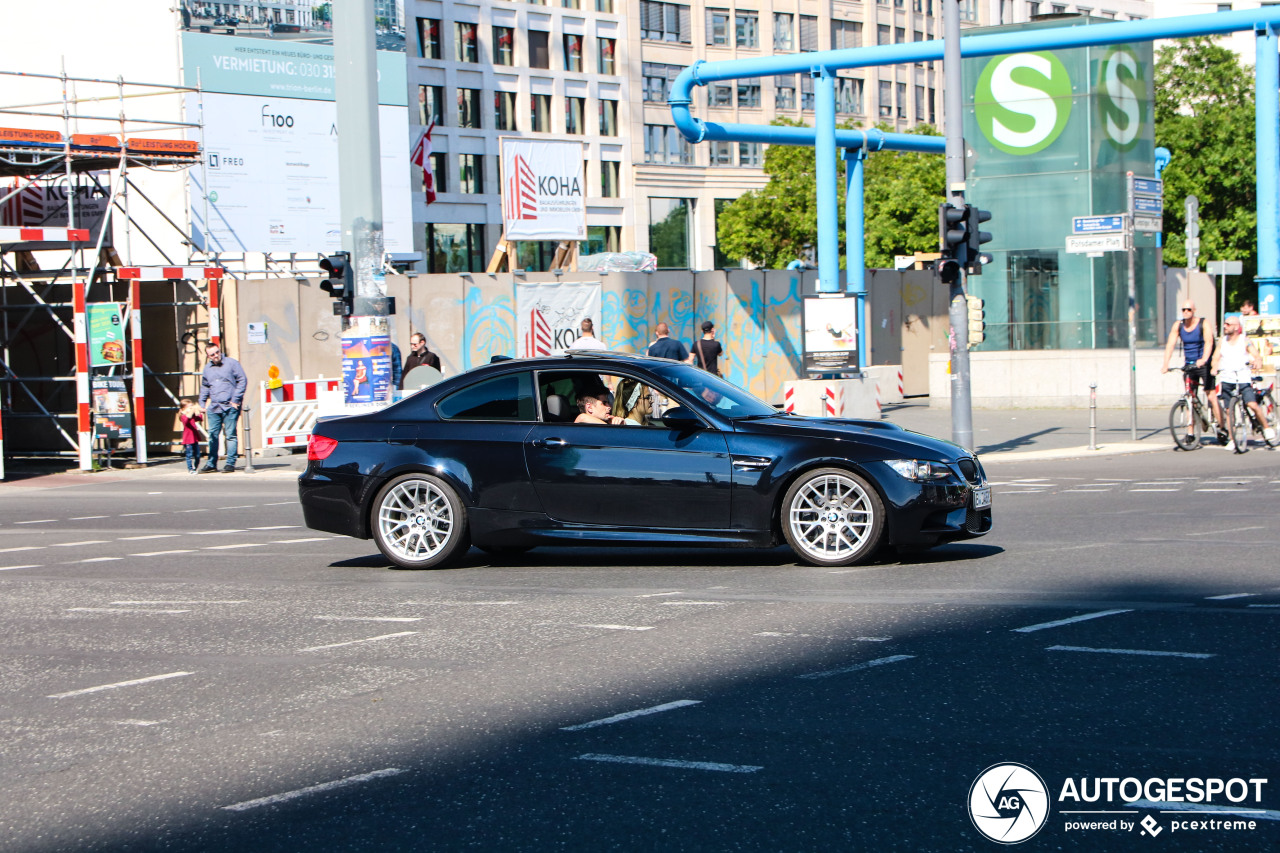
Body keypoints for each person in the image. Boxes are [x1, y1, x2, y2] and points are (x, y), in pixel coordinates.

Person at [1161, 299, 1223, 441]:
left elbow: (1209, 342)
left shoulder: (1203, 323)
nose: (1186, 312)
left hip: (1204, 364)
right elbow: (1170, 345)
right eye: (1183, 310)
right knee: (1189, 397)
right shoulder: (1178, 325)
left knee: (1211, 395)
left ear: (1194, 310)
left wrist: (1204, 359)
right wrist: (1165, 364)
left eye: (1189, 309)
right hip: (1189, 365)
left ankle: (1222, 428)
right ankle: (1190, 433)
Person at [1213, 316, 1276, 450]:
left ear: (1236, 327)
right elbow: (1216, 356)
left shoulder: (1244, 340)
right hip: (1227, 378)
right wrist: (1214, 367)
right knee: (1229, 411)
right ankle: (1232, 438)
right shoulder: (1222, 341)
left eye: (1228, 324)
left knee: (1252, 404)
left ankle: (1266, 427)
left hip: (1242, 378)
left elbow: (1256, 354)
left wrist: (1257, 360)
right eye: (1224, 324)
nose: (1225, 326)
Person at [198, 342, 247, 473]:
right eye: (212, 354)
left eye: (217, 352)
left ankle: (230, 463)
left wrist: (235, 400)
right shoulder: (207, 369)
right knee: (213, 435)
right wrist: (202, 403)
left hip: (229, 406)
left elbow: (242, 380)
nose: (216, 356)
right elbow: (205, 386)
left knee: (230, 434)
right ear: (208, 356)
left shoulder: (232, 363)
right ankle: (211, 463)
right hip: (214, 407)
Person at [178, 399, 203, 474]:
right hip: (188, 438)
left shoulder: (192, 416)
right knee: (189, 455)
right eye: (189, 407)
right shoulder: (183, 416)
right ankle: (190, 469)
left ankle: (195, 467)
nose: (191, 409)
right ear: (183, 409)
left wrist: (198, 410)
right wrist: (191, 411)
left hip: (194, 438)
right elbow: (186, 420)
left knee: (197, 455)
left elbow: (200, 418)